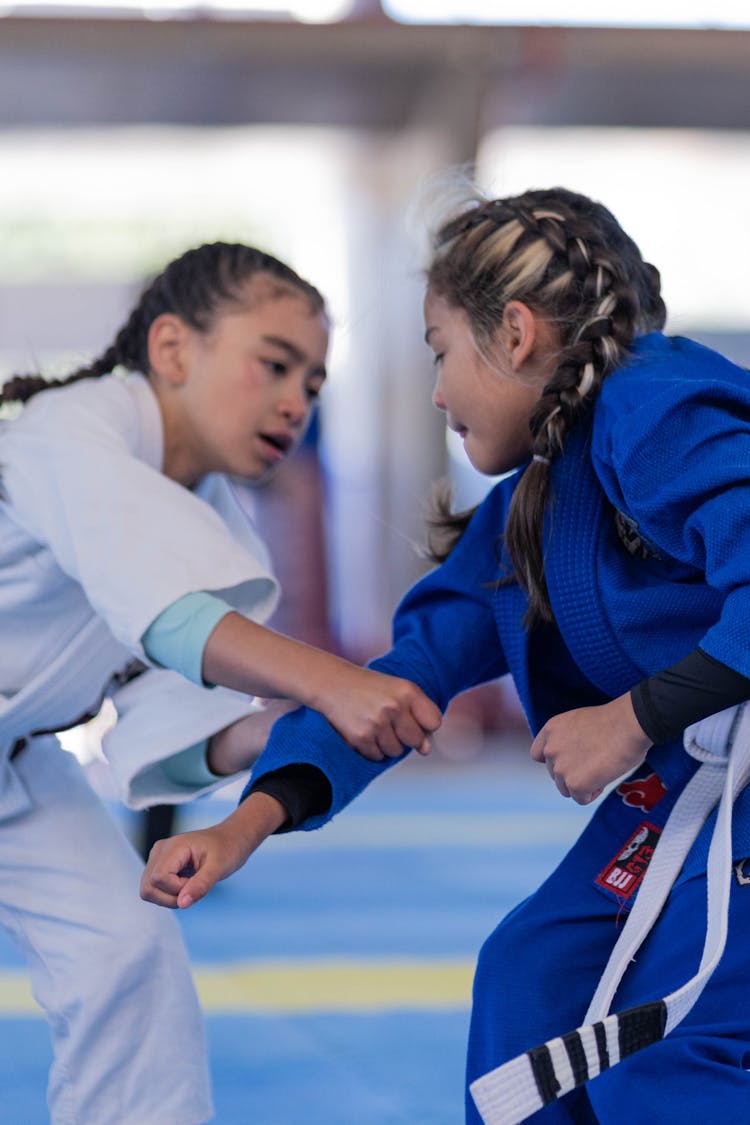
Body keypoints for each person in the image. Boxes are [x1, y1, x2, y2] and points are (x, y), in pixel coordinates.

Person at [140, 191, 750, 1124]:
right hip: (687, 786)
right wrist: (247, 823)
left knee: (670, 1052)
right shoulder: (530, 515)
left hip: (722, 777)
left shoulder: (653, 403)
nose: (435, 391)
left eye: (438, 349)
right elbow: (398, 682)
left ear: (512, 333)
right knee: (530, 981)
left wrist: (627, 720)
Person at [0, 240, 442, 1125]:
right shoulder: (70, 428)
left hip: (15, 767)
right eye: (274, 364)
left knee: (130, 955)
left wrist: (290, 722)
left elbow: (175, 715)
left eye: (313, 384)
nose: (295, 401)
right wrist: (331, 681)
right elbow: (167, 615)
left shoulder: (217, 528)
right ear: (173, 349)